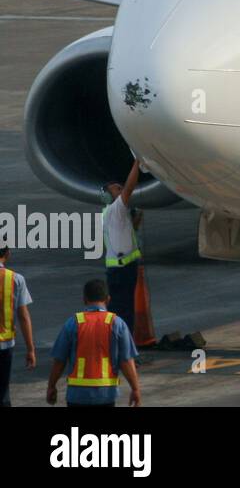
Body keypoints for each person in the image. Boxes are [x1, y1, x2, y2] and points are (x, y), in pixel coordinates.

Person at [47, 279, 141, 408]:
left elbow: (59, 360)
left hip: (77, 395)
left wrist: (51, 386)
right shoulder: (117, 323)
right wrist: (135, 389)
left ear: (84, 300)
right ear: (108, 299)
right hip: (105, 395)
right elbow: (126, 362)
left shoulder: (73, 323)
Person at [103, 159, 145, 334]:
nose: (120, 190)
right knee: (123, 313)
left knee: (124, 310)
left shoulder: (117, 213)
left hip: (123, 268)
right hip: (121, 270)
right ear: (107, 195)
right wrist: (138, 163)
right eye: (116, 189)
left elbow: (131, 229)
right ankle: (121, 349)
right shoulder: (115, 209)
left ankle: (123, 346)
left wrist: (138, 213)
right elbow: (129, 188)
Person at [0, 245, 36, 406]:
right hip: (4, 345)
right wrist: (30, 349)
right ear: (7, 253)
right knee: (2, 393)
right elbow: (23, 317)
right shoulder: (15, 279)